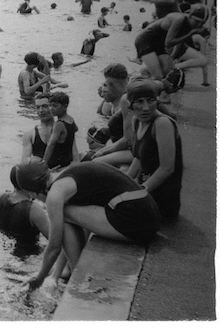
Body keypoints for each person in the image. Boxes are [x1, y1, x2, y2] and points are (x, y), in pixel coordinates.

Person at [17, 161, 160, 290]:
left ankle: (77, 276)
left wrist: (39, 278)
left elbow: (54, 246)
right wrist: (55, 274)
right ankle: (72, 270)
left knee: (64, 213)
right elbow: (65, 234)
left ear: (30, 192)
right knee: (66, 213)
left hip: (139, 222)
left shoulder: (55, 195)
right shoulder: (64, 177)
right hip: (148, 213)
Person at [124, 79, 183, 221]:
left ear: (157, 101)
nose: (145, 108)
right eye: (139, 102)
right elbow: (138, 158)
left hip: (162, 200)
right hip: (146, 189)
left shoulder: (162, 124)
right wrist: (123, 182)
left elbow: (167, 168)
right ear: (130, 105)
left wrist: (138, 192)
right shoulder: (137, 121)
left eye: (150, 100)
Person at [40, 92, 78, 168]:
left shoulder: (59, 124)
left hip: (56, 162)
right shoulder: (71, 120)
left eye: (55, 106)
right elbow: (75, 130)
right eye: (50, 105)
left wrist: (44, 162)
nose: (51, 108)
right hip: (67, 160)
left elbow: (51, 144)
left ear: (65, 106)